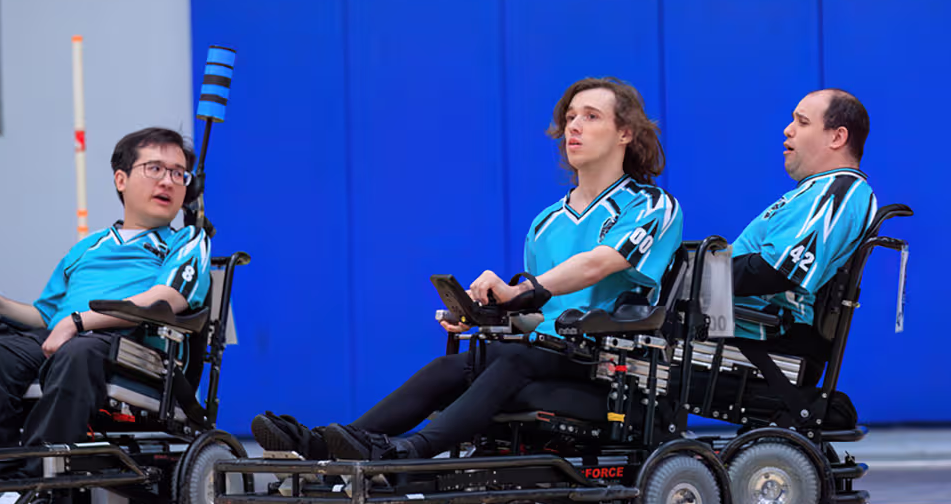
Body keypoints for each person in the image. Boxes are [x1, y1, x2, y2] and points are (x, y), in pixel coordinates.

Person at [253, 76, 683, 461]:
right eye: (571, 117)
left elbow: (599, 264)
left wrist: (523, 290)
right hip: (547, 353)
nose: (574, 126)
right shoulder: (547, 221)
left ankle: (409, 452)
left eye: (591, 117)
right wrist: (486, 314)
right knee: (453, 367)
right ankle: (328, 445)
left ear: (625, 132)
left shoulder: (650, 204)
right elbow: (540, 313)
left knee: (514, 360)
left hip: (610, 366)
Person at [0, 127, 212, 504]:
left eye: (178, 173)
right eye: (155, 168)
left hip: (135, 350)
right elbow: (45, 315)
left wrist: (80, 321)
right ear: (121, 179)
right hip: (71, 338)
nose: (168, 181)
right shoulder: (87, 247)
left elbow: (168, 297)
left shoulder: (187, 241)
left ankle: (33, 479)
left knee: (79, 352)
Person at [726, 88, 877, 425]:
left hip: (764, 334)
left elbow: (776, 271)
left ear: (837, 137)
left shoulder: (838, 191)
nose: (787, 129)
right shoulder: (817, 191)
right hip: (750, 324)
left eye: (802, 122)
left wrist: (692, 274)